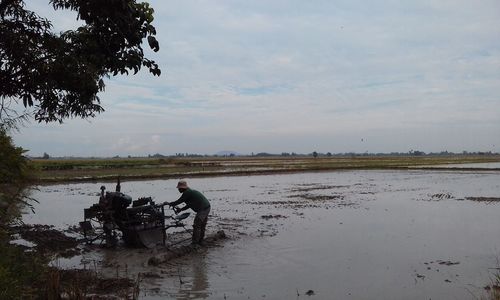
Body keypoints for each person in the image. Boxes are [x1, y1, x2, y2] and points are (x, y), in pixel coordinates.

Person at [169, 180, 211, 245]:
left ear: (182, 188)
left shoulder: (187, 192)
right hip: (206, 207)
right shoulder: (189, 192)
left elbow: (179, 201)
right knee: (202, 225)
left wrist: (169, 204)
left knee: (197, 225)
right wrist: (181, 209)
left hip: (203, 209)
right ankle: (200, 241)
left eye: (179, 188)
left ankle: (195, 243)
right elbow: (189, 204)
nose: (178, 190)